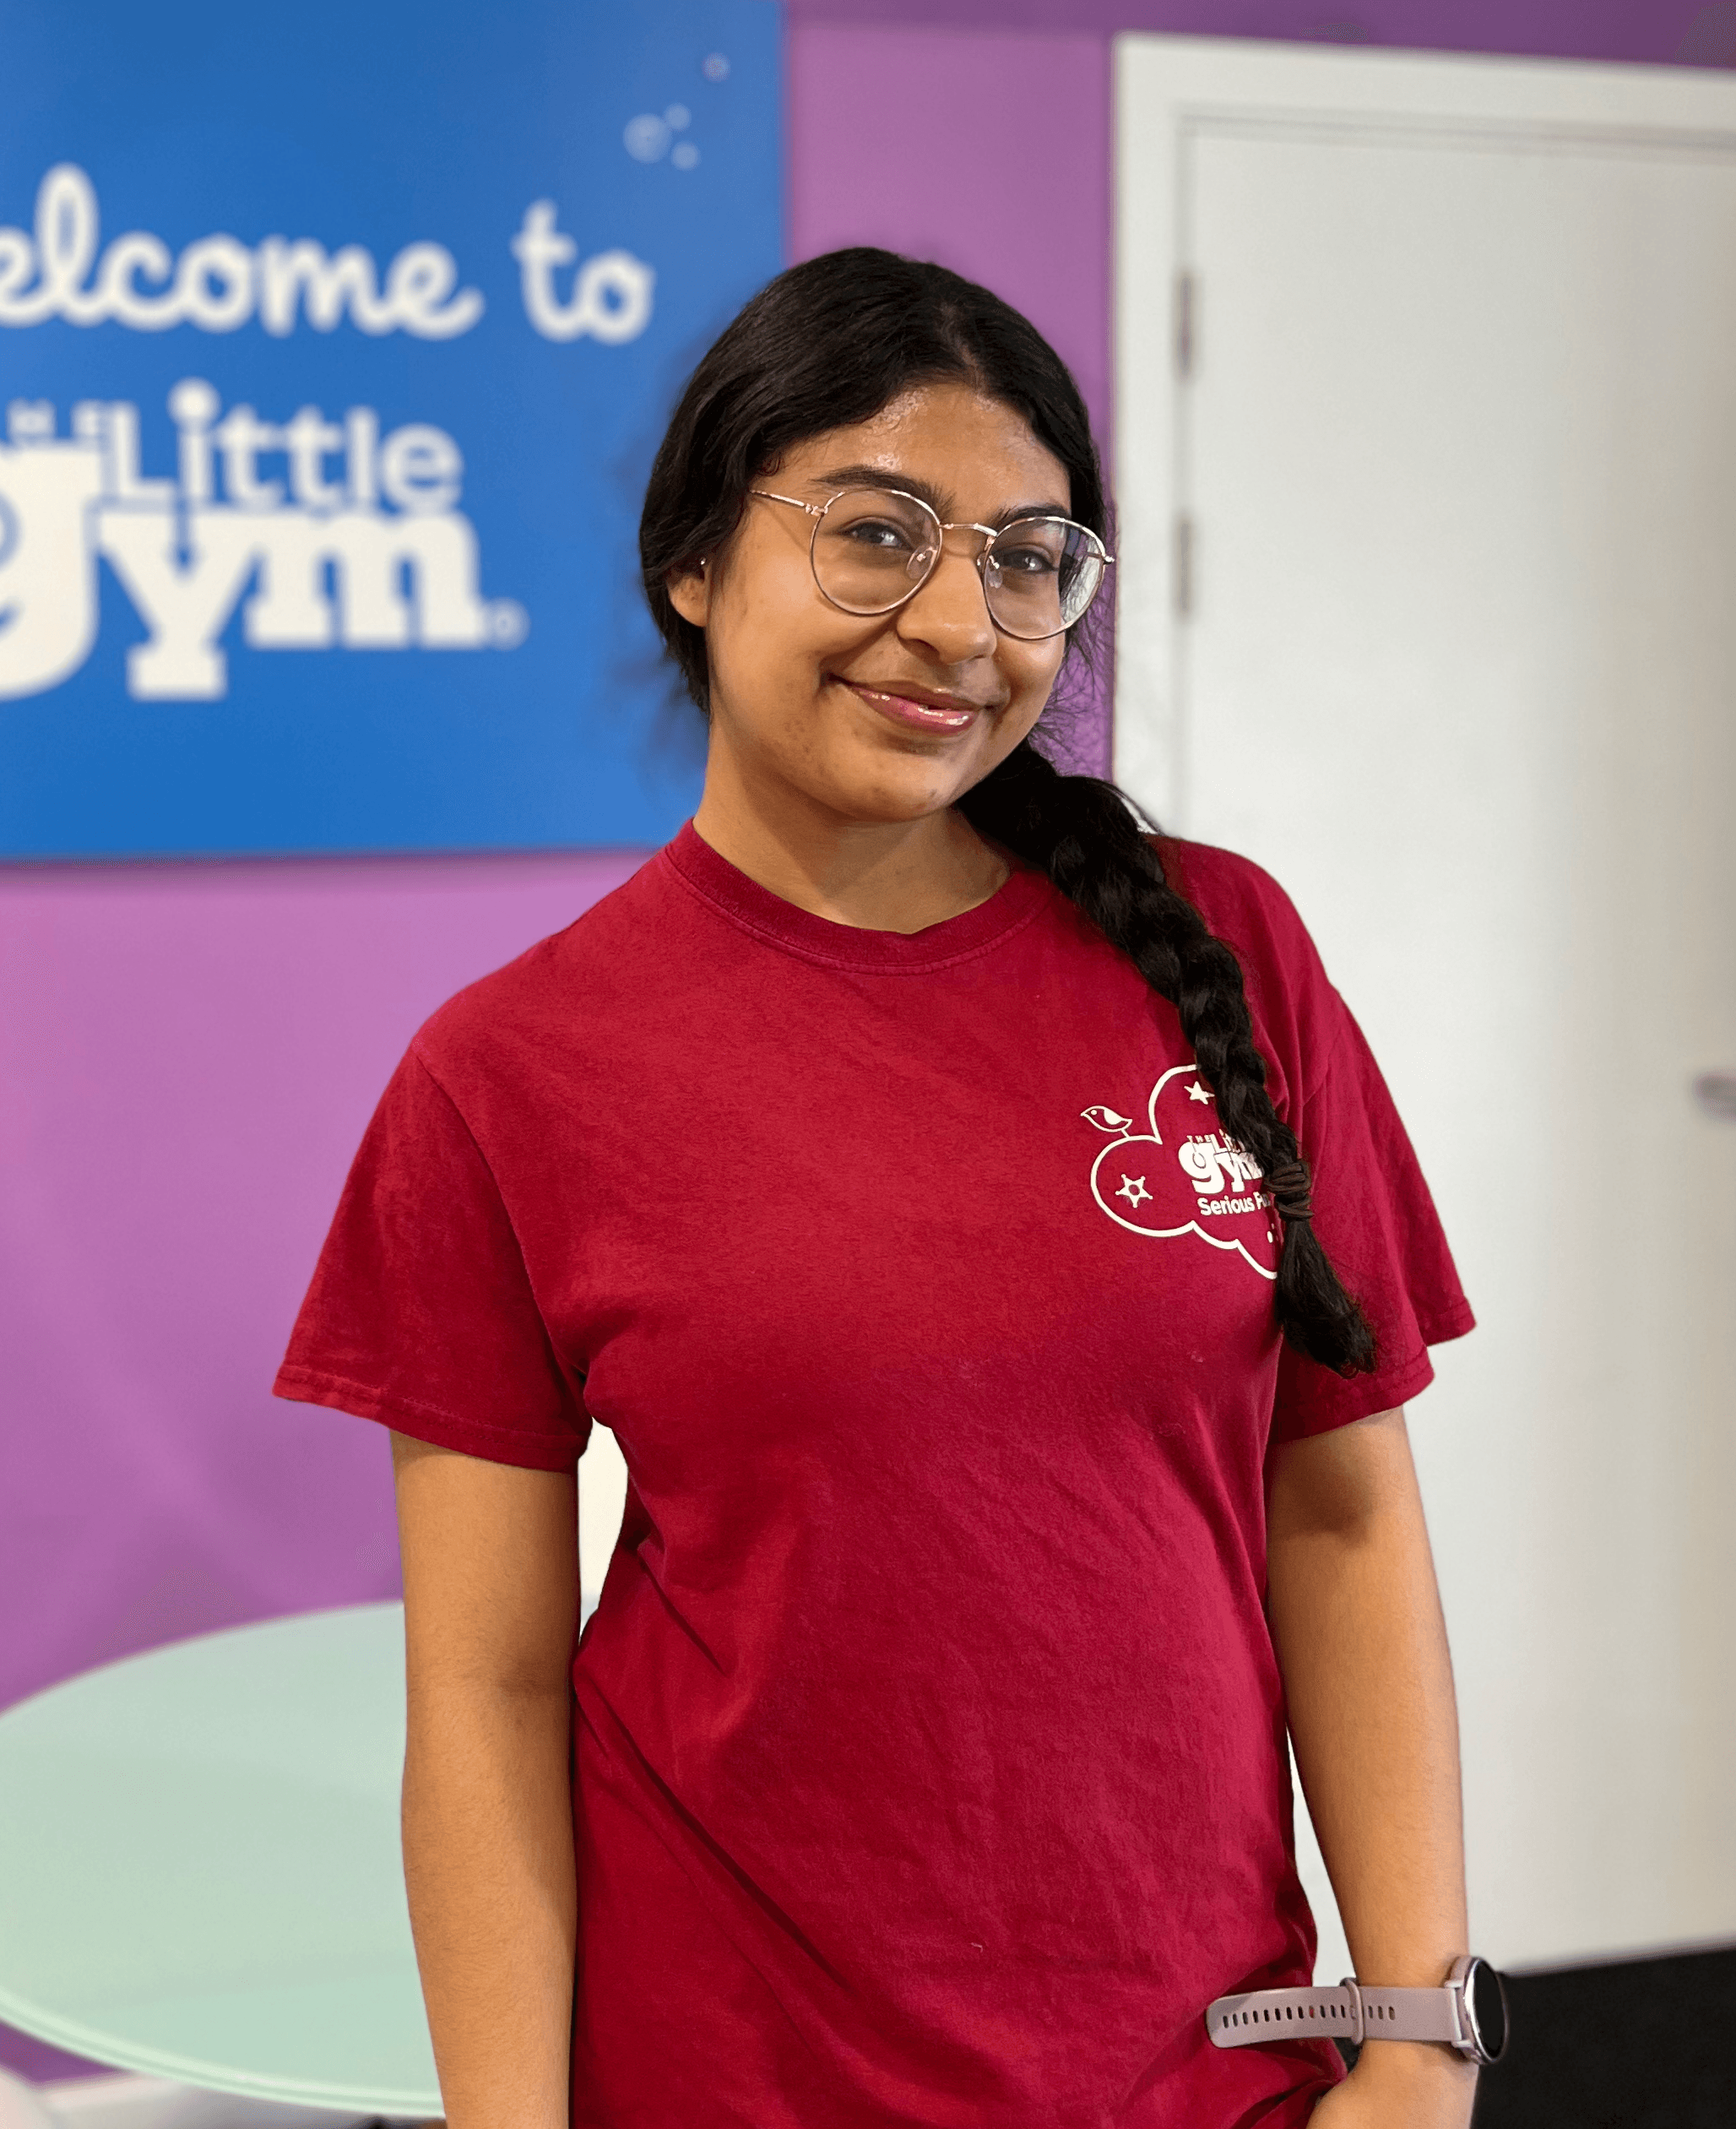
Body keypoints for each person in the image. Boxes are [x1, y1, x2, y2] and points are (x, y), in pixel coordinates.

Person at [275, 248, 1480, 2129]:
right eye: (873, 534)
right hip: (727, 2069)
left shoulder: (1223, 948)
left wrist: (1416, 2032)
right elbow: (488, 1697)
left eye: (1026, 559)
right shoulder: (505, 1074)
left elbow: (1341, 1509)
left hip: (1199, 2063)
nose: (956, 625)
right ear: (694, 558)